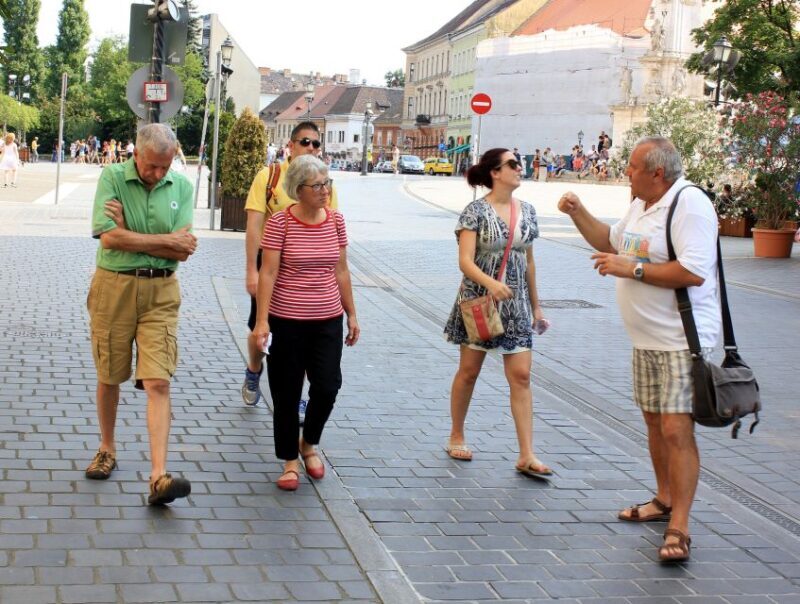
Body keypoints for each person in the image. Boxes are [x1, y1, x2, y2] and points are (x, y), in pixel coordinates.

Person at [557, 136, 719, 563]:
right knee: (653, 422)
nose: (624, 172)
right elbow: (609, 242)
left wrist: (634, 269)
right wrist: (577, 212)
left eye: (631, 167)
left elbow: (693, 272)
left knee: (675, 430)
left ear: (656, 173)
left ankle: (679, 526)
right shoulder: (640, 204)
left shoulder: (690, 205)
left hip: (681, 340)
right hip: (645, 339)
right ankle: (664, 499)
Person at [85, 123, 198, 506]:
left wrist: (129, 231)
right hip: (114, 286)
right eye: (151, 166)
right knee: (110, 373)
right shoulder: (113, 177)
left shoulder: (181, 187)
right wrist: (160, 241)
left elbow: (183, 249)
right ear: (137, 155)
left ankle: (158, 476)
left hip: (162, 292)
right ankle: (107, 447)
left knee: (158, 380)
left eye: (165, 167)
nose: (158, 174)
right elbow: (108, 237)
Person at [252, 154, 359, 491]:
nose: (325, 190)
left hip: (327, 320)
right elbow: (268, 273)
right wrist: (262, 321)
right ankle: (288, 460)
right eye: (318, 185)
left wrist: (352, 313)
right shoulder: (280, 223)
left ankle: (308, 443)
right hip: (286, 321)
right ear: (299, 190)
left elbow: (341, 270)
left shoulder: (336, 221)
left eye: (327, 183)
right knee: (286, 392)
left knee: (327, 386)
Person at [443, 148, 551, 476]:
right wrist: (490, 284)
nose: (521, 168)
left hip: (515, 306)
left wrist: (536, 305)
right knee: (469, 372)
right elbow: (465, 260)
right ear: (495, 172)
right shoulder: (475, 211)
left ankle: (527, 454)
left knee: (521, 376)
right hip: (481, 302)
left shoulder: (528, 211)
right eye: (513, 164)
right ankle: (457, 433)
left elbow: (529, 261)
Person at [242, 122, 339, 411]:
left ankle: (297, 396)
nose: (311, 148)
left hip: (308, 271)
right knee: (260, 329)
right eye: (305, 142)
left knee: (306, 339)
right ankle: (254, 369)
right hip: (271, 265)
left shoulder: (324, 183)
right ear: (291, 145)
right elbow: (254, 226)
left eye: (315, 144)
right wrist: (251, 270)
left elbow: (330, 229)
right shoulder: (269, 176)